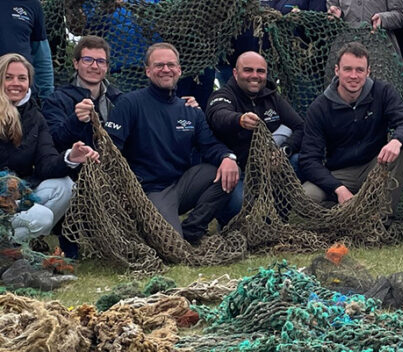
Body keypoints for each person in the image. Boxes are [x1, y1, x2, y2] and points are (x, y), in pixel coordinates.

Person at [104, 43, 239, 244]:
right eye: (159, 65)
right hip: (150, 190)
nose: (165, 70)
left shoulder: (190, 110)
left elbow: (210, 145)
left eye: (171, 65)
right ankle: (166, 232)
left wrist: (228, 158)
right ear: (148, 71)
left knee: (225, 173)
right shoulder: (130, 104)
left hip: (182, 184)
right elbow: (111, 151)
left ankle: (192, 231)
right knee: (171, 245)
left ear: (179, 70)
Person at [300, 42, 403, 210]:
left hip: (375, 165)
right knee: (306, 198)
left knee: (402, 147)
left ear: (368, 72)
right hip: (340, 173)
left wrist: (396, 141)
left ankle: (381, 217)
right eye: (347, 69)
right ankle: (345, 211)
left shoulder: (383, 92)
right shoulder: (319, 107)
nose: (353, 76)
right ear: (337, 70)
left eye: (359, 70)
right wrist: (337, 188)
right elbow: (309, 159)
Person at [0, 53, 99, 243]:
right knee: (42, 217)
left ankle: (14, 250)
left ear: (29, 83)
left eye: (22, 78)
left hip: (18, 195)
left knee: (65, 187)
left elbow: (46, 163)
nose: (16, 83)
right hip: (4, 197)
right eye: (8, 77)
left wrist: (71, 157)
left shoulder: (35, 117)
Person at [206, 51, 304, 225]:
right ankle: (229, 222)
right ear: (235, 73)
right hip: (237, 170)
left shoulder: (272, 96)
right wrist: (239, 120)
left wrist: (284, 151)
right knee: (239, 207)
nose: (255, 76)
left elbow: (300, 127)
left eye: (260, 71)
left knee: (298, 160)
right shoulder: (223, 95)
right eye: (248, 70)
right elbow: (217, 115)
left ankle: (277, 218)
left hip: (267, 169)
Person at [42, 36, 122, 151]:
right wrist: (76, 120)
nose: (94, 66)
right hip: (76, 166)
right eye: (88, 60)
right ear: (76, 63)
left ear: (107, 66)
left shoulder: (120, 100)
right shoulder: (56, 100)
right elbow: (53, 141)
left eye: (100, 61)